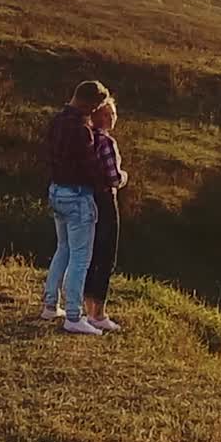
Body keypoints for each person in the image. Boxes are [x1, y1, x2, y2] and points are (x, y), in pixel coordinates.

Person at [40, 80, 111, 336]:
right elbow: (91, 167)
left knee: (63, 248)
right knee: (81, 257)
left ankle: (50, 304)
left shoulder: (56, 122)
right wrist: (108, 183)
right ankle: (73, 315)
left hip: (56, 190)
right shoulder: (82, 129)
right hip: (78, 195)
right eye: (96, 106)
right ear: (89, 103)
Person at [83, 98, 128, 332]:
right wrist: (124, 177)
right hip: (106, 198)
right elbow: (114, 177)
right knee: (107, 256)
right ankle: (98, 313)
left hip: (89, 198)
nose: (114, 116)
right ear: (104, 117)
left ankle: (87, 306)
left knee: (92, 254)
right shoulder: (106, 142)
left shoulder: (88, 139)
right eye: (111, 112)